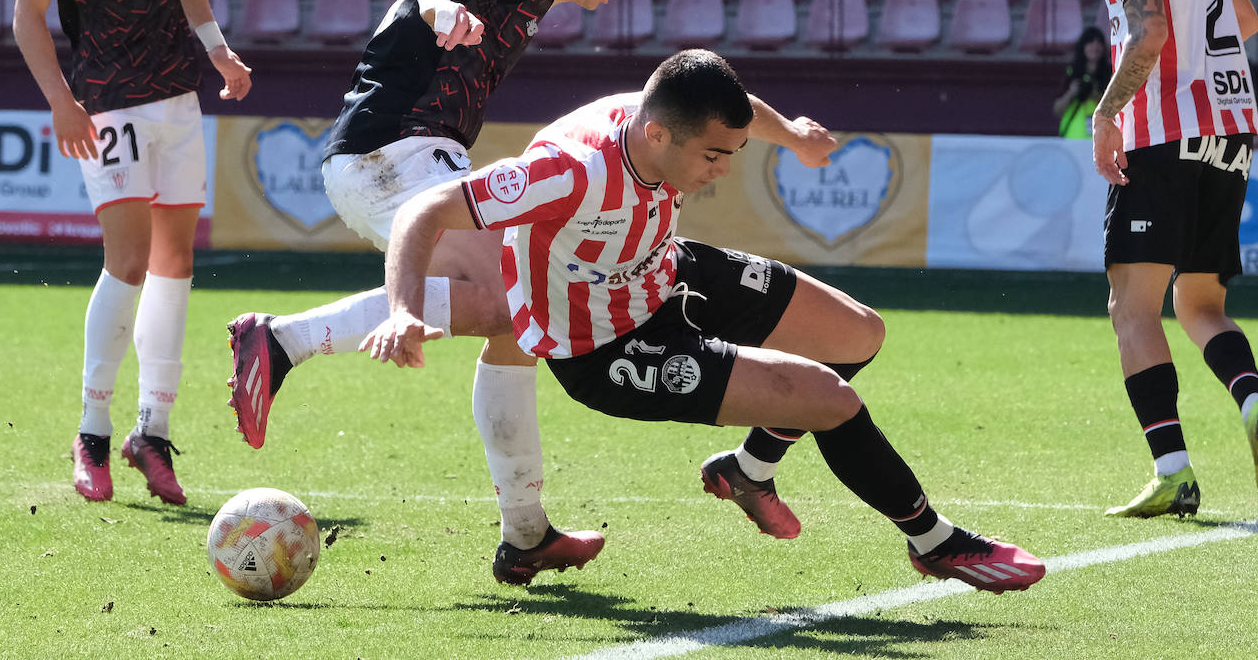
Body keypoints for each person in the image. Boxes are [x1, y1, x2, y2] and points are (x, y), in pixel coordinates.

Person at [227, 0, 836, 584]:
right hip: (390, 154)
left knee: (519, 319)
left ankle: (527, 534)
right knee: (513, 301)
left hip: (396, 158)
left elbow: (691, 100)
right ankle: (285, 340)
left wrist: (792, 138)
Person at [361, 49, 1047, 594]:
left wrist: (794, 138)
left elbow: (739, 109)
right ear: (657, 134)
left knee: (858, 335)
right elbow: (424, 213)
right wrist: (402, 310)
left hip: (666, 273)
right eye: (713, 156)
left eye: (732, 154)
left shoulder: (671, 113)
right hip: (606, 347)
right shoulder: (566, 172)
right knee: (828, 399)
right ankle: (935, 542)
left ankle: (747, 470)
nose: (721, 171)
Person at [12, 0, 254, 506]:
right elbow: (27, 16)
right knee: (128, 261)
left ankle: (152, 430)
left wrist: (218, 51)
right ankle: (90, 430)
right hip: (106, 99)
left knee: (176, 262)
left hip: (177, 91)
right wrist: (61, 100)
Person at [1063, 0, 1258, 518]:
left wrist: (1105, 115)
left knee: (1132, 308)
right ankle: (1253, 403)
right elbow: (1246, 18)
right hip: (1229, 130)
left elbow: (1151, 29)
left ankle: (1174, 472)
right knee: (1200, 304)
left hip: (1163, 133)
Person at [1052, 25, 1112, 138]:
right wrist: (1072, 93)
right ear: (1082, 47)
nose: (1095, 46)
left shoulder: (1110, 73)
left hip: (1102, 140)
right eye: (1090, 42)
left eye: (1099, 42)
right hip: (1073, 138)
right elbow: (1057, 110)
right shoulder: (1072, 73)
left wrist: (1097, 95)